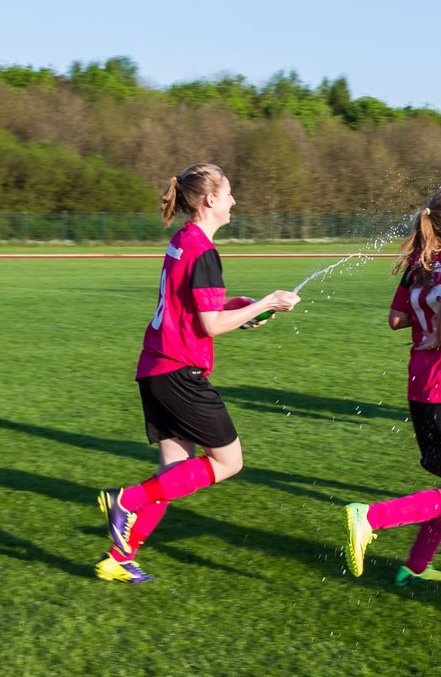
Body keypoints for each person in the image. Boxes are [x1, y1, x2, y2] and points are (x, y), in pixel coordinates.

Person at [95, 163, 301, 582]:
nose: (233, 201)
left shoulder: (183, 240)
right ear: (209, 200)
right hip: (178, 372)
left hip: (154, 366)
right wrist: (264, 303)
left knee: (174, 473)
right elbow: (209, 326)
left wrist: (238, 308)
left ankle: (119, 558)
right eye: (228, 193)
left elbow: (193, 310)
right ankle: (127, 500)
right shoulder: (204, 251)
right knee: (228, 462)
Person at [343, 184, 441, 587]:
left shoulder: (422, 262)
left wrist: (427, 325)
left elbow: (396, 318)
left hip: (423, 386)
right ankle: (371, 517)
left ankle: (415, 565)